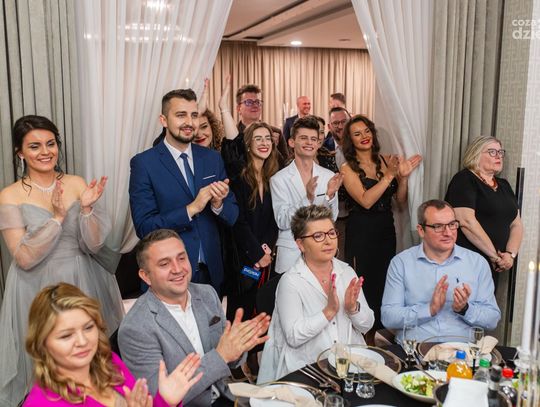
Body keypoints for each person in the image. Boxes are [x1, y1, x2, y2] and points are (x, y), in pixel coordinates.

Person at [0, 115, 124, 406]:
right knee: (45, 357)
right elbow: (24, 257)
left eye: (50, 143)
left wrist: (87, 210)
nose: (45, 152)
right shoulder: (9, 195)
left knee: (87, 354)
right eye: (34, 146)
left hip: (82, 278)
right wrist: (56, 218)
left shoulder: (76, 183)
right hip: (34, 285)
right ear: (20, 153)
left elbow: (93, 244)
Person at [118, 229, 270, 406]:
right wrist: (221, 356)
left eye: (181, 258)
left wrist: (239, 346)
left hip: (225, 396)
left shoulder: (206, 294)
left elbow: (230, 361)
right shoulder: (135, 328)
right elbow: (158, 399)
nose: (177, 269)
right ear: (146, 276)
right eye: (164, 264)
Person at [129, 88, 238, 295]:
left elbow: (232, 215)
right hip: (167, 276)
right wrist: (191, 209)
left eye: (194, 115)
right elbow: (144, 227)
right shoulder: (144, 164)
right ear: (163, 120)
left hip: (211, 275)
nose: (189, 122)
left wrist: (218, 205)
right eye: (181, 115)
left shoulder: (212, 158)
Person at [24, 283, 202, 406]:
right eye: (66, 336)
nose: (83, 341)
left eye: (88, 327)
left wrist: (165, 401)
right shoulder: (40, 403)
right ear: (42, 343)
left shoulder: (109, 363)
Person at [258, 205, 374, 383]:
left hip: (350, 365)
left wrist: (353, 308)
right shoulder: (291, 281)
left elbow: (367, 325)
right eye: (318, 236)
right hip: (308, 370)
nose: (328, 241)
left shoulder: (347, 272)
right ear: (300, 244)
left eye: (331, 233)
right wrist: (328, 312)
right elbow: (293, 336)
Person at [341, 115, 422, 339]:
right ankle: (362, 337)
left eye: (366, 131)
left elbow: (400, 202)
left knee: (384, 282)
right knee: (363, 283)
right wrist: (389, 176)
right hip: (361, 232)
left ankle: (376, 335)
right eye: (357, 134)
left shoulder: (387, 161)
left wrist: (403, 179)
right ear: (350, 140)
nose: (364, 136)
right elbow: (365, 200)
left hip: (386, 230)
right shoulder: (347, 168)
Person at [381, 200, 501, 343]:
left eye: (452, 224)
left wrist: (465, 309)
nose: (448, 233)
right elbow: (388, 317)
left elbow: (492, 319)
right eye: (438, 226)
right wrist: (429, 309)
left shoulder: (477, 263)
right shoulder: (401, 263)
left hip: (462, 351)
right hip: (415, 350)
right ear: (421, 230)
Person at [445, 136, 522, 288]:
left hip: (495, 263)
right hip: (469, 260)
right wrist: (495, 256)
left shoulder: (504, 185)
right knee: (463, 301)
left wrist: (510, 255)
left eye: (500, 152)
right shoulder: (464, 179)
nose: (499, 156)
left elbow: (516, 224)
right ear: (476, 154)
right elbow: (466, 222)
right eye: (492, 152)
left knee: (486, 302)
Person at [270, 116, 341, 274]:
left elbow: (333, 218)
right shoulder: (278, 179)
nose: (309, 143)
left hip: (321, 252)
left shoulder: (328, 176)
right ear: (291, 142)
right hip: (291, 253)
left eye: (313, 139)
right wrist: (307, 198)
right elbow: (282, 221)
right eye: (303, 138)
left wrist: (329, 196)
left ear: (318, 143)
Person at [228, 122, 279, 320]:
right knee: (241, 314)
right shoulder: (238, 177)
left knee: (262, 313)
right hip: (243, 258)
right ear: (248, 144)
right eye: (258, 139)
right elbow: (237, 221)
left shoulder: (272, 177)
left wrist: (266, 249)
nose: (264, 143)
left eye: (267, 138)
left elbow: (274, 219)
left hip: (265, 257)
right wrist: (257, 254)